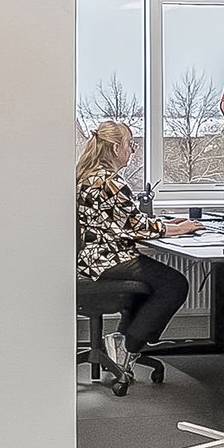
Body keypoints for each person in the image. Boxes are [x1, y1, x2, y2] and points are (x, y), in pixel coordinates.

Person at [74, 120, 201, 378]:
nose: (132, 151)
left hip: (92, 258)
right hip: (109, 258)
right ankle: (127, 346)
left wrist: (168, 224)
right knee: (175, 284)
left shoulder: (87, 175)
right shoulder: (109, 182)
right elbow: (135, 227)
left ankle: (122, 343)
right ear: (115, 147)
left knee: (151, 283)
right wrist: (178, 229)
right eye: (129, 144)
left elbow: (124, 220)